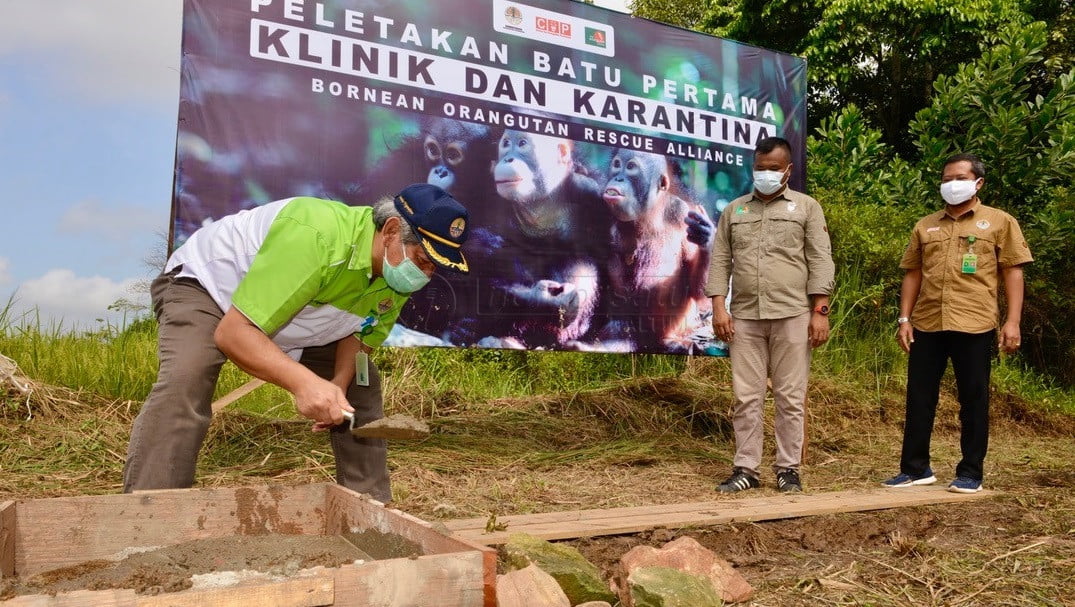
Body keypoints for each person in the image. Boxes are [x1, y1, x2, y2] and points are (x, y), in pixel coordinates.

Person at [123, 184, 471, 503]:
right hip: (211, 292)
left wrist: (337, 386)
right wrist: (304, 384)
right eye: (423, 261)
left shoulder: (397, 275)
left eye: (435, 268)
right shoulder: (316, 236)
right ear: (391, 231)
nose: (425, 275)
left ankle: (370, 513)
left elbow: (362, 336)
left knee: (361, 389)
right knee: (188, 375)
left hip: (297, 315)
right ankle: (150, 510)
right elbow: (232, 333)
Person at [883, 153, 1032, 494]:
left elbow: (1013, 271)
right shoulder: (925, 225)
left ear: (978, 183)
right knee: (919, 397)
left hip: (974, 323)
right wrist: (904, 319)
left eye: (960, 177)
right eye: (947, 178)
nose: (952, 184)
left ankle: (970, 472)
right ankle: (915, 468)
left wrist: (1013, 321)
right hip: (927, 322)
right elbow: (913, 273)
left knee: (973, 399)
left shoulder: (999, 222)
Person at [706, 136, 835, 494]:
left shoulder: (807, 208)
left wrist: (820, 311)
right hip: (745, 316)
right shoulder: (735, 210)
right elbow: (720, 260)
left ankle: (787, 469)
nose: (765, 175)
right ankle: (746, 468)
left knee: (790, 395)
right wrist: (719, 307)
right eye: (760, 169)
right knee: (745, 396)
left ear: (788, 170)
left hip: (793, 314)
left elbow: (820, 259)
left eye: (773, 169)